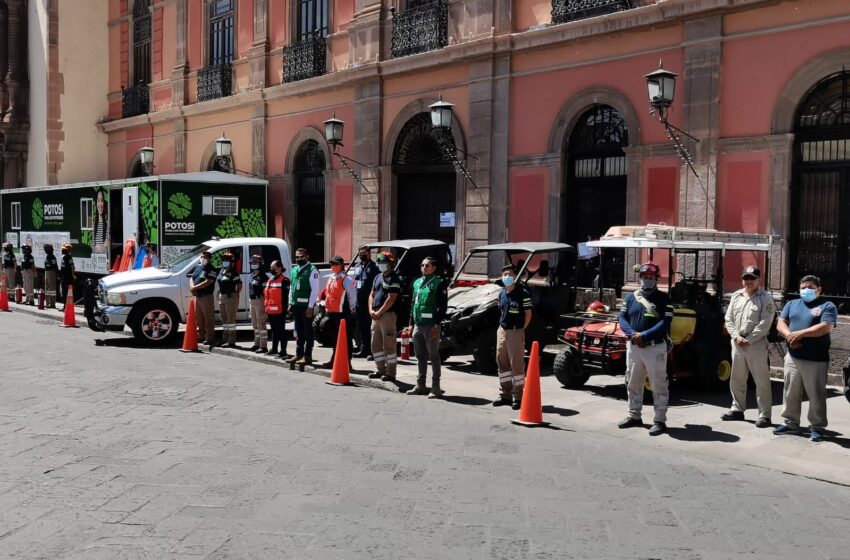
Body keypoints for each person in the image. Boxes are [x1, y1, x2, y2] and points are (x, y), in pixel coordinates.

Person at [774, 275, 838, 442]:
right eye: (803, 287)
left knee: (816, 394)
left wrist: (798, 335)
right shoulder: (792, 304)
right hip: (793, 358)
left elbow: (825, 327)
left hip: (816, 359)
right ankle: (791, 423)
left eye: (810, 287)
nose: (805, 290)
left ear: (818, 289)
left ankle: (816, 427)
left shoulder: (827, 306)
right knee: (790, 392)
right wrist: (789, 336)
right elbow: (781, 323)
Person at [617, 261, 674, 436]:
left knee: (658, 384)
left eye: (651, 277)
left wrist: (645, 335)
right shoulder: (630, 298)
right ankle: (634, 416)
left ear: (656, 279)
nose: (647, 280)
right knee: (633, 382)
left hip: (654, 347)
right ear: (640, 278)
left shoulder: (664, 299)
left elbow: (666, 323)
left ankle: (659, 420)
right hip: (634, 347)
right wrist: (632, 334)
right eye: (644, 277)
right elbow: (622, 318)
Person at [722, 265, 776, 427]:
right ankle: (737, 409)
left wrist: (750, 339)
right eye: (746, 278)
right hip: (738, 342)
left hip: (756, 344)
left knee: (761, 381)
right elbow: (728, 318)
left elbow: (766, 323)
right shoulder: (736, 296)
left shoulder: (765, 298)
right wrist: (736, 336)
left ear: (759, 280)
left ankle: (764, 415)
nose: (749, 281)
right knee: (737, 378)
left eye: (752, 278)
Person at [406, 257, 449, 398]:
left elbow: (443, 307)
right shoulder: (417, 283)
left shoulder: (439, 283)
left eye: (427, 265)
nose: (424, 267)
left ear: (434, 268)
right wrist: (411, 323)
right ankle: (421, 385)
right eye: (422, 265)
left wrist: (437, 324)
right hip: (418, 324)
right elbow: (413, 304)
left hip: (431, 325)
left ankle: (435, 387)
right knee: (420, 356)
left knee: (434, 356)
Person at [493, 264, 533, 410]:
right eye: (504, 275)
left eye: (509, 274)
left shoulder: (523, 293)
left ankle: (518, 396)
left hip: (516, 332)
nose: (507, 277)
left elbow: (528, 314)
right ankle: (505, 395)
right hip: (502, 330)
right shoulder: (501, 292)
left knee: (516, 365)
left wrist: (521, 329)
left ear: (515, 277)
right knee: (501, 362)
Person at [368, 252, 402, 381]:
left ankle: (391, 373)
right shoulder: (377, 277)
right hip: (375, 315)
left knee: (389, 346)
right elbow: (371, 294)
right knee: (375, 345)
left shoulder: (394, 278)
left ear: (390, 264)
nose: (380, 265)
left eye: (383, 263)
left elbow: (391, 299)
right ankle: (380, 370)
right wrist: (371, 310)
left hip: (387, 315)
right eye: (379, 262)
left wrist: (379, 312)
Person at [319, 256, 358, 369]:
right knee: (335, 338)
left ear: (341, 265)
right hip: (332, 312)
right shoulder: (331, 278)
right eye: (332, 264)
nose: (333, 266)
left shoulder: (346, 279)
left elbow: (352, 295)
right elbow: (327, 293)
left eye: (335, 264)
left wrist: (352, 310)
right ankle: (335, 360)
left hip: (342, 314)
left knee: (346, 338)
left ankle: (347, 362)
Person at [287, 247, 320, 366]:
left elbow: (315, 290)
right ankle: (298, 354)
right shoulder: (294, 269)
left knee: (308, 331)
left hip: (306, 306)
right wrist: (290, 302)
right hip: (296, 305)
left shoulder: (312, 270)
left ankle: (308, 356)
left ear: (307, 257)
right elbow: (292, 287)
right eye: (297, 257)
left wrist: (310, 307)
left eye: (301, 256)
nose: (299, 259)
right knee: (299, 331)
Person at [352, 246, 379, 358]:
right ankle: (364, 349)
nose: (361, 254)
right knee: (362, 327)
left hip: (369, 302)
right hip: (359, 301)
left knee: (370, 328)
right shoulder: (357, 266)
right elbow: (355, 281)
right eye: (360, 252)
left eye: (364, 252)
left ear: (369, 254)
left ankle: (373, 351)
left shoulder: (374, 267)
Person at [189, 250, 217, 347]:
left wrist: (195, 288)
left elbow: (208, 282)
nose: (203, 259)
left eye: (205, 257)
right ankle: (200, 336)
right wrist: (192, 286)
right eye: (202, 257)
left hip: (207, 297)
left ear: (209, 259)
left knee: (208, 318)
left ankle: (209, 338)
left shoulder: (212, 269)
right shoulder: (198, 267)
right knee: (199, 318)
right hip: (198, 296)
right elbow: (192, 278)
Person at [264, 259, 290, 358]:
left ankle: (283, 352)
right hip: (271, 311)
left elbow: (287, 296)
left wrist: (286, 309)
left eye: (273, 268)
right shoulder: (271, 280)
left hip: (280, 311)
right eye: (271, 268)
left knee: (281, 331)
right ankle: (274, 349)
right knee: (274, 331)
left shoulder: (285, 280)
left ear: (279, 268)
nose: (271, 270)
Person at [217, 251, 242, 348]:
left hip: (230, 296)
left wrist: (235, 294)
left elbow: (239, 285)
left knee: (230, 319)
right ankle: (225, 339)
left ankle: (231, 341)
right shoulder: (221, 271)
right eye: (223, 260)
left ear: (231, 262)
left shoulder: (233, 272)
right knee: (223, 318)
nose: (224, 261)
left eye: (226, 260)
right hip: (222, 296)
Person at [248, 253, 269, 353]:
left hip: (260, 300)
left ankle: (263, 346)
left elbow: (266, 291)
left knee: (261, 323)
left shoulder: (263, 277)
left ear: (260, 263)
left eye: (256, 262)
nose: (253, 264)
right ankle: (256, 343)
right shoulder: (252, 275)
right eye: (252, 262)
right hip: (252, 301)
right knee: (254, 324)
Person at [59, 243, 76, 311]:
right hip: (63, 277)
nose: (62, 250)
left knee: (67, 292)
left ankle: (67, 307)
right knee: (63, 292)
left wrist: (72, 275)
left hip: (68, 278)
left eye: (64, 249)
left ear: (68, 250)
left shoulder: (69, 258)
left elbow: (72, 267)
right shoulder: (64, 257)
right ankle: (64, 306)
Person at [92, 189, 109, 254]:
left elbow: (106, 249)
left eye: (102, 200)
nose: (100, 204)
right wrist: (100, 247)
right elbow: (93, 248)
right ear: (96, 203)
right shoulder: (94, 224)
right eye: (98, 200)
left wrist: (98, 247)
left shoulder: (107, 223)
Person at [43, 243, 59, 308]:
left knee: (52, 288)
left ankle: (52, 303)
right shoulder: (47, 256)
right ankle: (47, 303)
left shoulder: (52, 257)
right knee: (47, 287)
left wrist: (57, 274)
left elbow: (55, 266)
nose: (45, 250)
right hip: (47, 272)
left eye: (46, 249)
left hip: (52, 272)